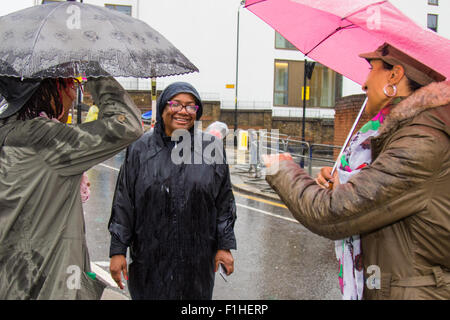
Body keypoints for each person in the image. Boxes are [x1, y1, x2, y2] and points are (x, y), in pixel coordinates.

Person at [263, 43, 450, 300]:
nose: (364, 84)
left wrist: (282, 167)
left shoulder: (420, 141)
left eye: (371, 69)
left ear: (394, 75)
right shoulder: (402, 134)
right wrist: (342, 180)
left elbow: (332, 213)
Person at [0, 76, 143, 299]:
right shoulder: (43, 137)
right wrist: (94, 70)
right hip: (47, 284)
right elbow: (126, 124)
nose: (73, 95)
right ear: (48, 90)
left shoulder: (9, 132)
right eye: (70, 84)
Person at [108, 82, 237, 300]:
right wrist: (118, 250)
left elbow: (223, 202)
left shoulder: (211, 148)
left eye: (190, 106)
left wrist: (224, 246)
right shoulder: (140, 147)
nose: (183, 111)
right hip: (149, 262)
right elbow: (124, 202)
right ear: (162, 107)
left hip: (197, 265)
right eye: (175, 104)